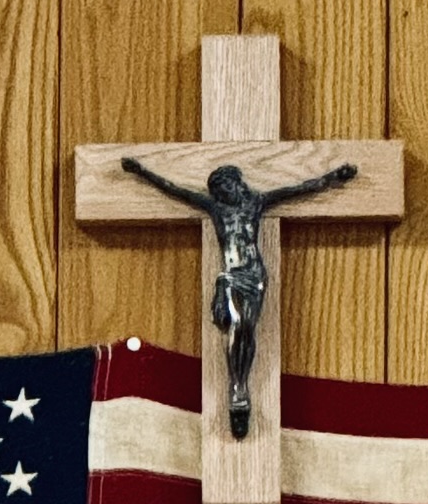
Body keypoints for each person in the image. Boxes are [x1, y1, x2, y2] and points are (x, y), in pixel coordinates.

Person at [120, 157, 358, 437]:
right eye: (217, 190)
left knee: (247, 328)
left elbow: (299, 189)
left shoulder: (256, 203)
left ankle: (241, 384)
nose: (222, 193)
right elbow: (174, 189)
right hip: (231, 277)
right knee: (237, 326)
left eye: (224, 187)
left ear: (235, 183)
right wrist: (141, 172)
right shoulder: (215, 208)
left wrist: (333, 177)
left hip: (254, 276)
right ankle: (238, 389)